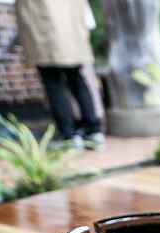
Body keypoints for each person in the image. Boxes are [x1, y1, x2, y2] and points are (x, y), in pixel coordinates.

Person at [16, 0, 103, 149]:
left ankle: (69, 135)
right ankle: (93, 130)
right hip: (71, 33)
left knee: (53, 82)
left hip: (44, 34)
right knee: (77, 79)